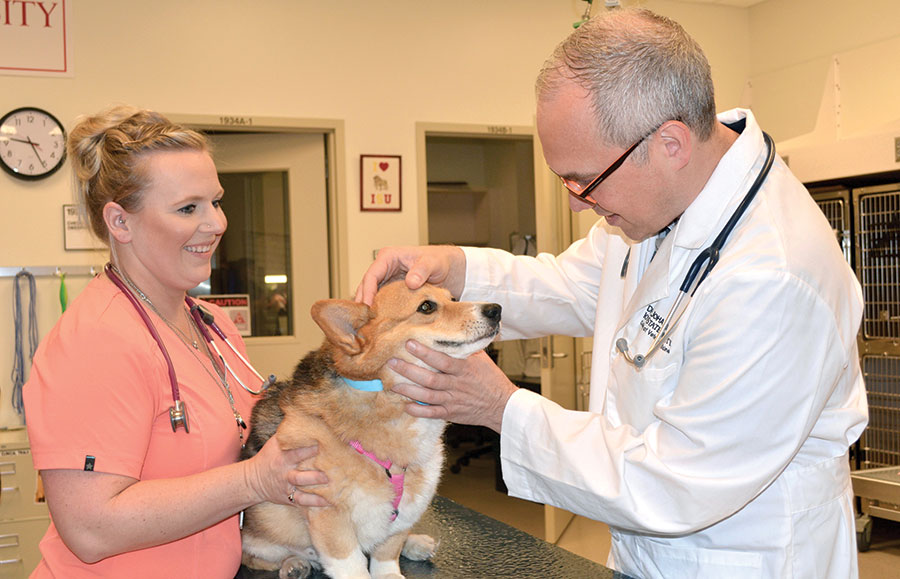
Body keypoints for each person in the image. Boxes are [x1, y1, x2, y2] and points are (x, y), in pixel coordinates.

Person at [356, 9, 867, 579]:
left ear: (670, 143)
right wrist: (455, 268)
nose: (576, 203)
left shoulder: (774, 277)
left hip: (742, 562)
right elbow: (574, 285)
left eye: (584, 180)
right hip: (643, 555)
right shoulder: (663, 206)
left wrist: (500, 408)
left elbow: (676, 484)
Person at [23, 106, 328, 578]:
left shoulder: (212, 324)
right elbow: (89, 530)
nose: (217, 223)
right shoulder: (94, 343)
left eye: (216, 201)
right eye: (189, 208)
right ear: (120, 223)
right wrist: (254, 480)